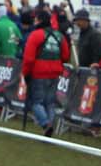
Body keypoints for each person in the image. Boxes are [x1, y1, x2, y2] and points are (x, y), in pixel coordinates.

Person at [21, 7, 70, 137]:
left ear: (40, 21)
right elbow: (65, 56)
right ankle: (49, 127)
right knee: (50, 103)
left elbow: (29, 58)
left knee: (36, 102)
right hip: (55, 73)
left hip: (38, 73)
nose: (34, 22)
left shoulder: (35, 35)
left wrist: (25, 74)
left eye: (36, 19)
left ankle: (45, 124)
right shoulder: (60, 35)